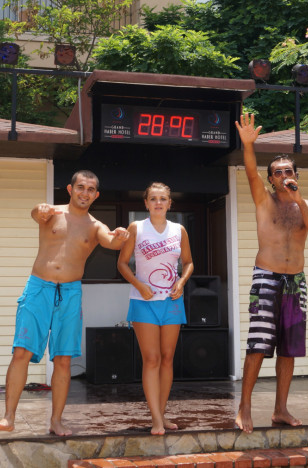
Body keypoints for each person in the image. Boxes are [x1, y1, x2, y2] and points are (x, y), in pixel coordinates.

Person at [0, 170, 130, 436]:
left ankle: (56, 421)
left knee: (63, 359)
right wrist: (39, 209)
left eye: (90, 189)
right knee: (21, 352)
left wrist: (122, 236)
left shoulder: (95, 226)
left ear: (96, 195)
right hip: (39, 288)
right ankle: (8, 417)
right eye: (81, 187)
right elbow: (37, 213)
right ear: (70, 189)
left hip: (70, 293)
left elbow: (112, 241)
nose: (85, 193)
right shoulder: (52, 213)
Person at [233, 113, 308, 433]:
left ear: (296, 175)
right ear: (270, 179)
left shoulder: (307, 204)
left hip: (296, 282)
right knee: (258, 344)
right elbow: (250, 173)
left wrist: (299, 199)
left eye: (288, 171)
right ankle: (244, 406)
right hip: (267, 277)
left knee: (289, 348)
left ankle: (280, 409)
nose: (284, 175)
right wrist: (248, 145)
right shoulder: (264, 201)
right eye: (278, 172)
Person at [117, 182, 194, 435]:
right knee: (151, 359)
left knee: (167, 358)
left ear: (170, 203)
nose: (158, 203)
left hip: (172, 302)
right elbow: (122, 264)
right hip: (143, 302)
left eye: (163, 199)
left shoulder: (179, 229)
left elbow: (188, 262)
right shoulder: (136, 228)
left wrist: (181, 282)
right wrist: (139, 285)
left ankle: (161, 414)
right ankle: (156, 420)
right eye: (153, 199)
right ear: (146, 203)